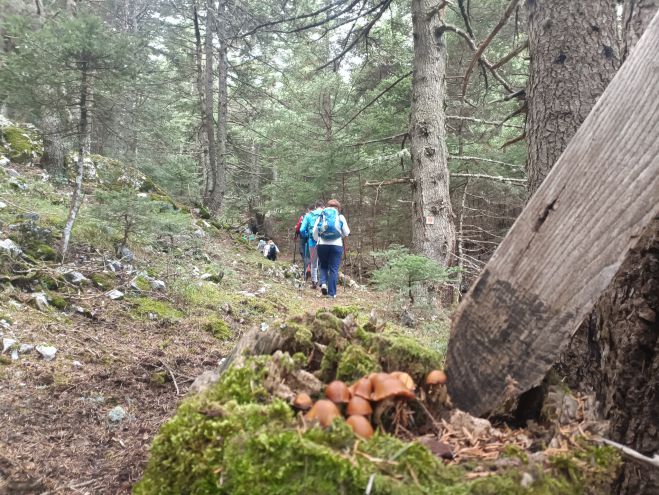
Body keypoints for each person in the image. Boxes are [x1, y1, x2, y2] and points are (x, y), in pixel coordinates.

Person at [313, 199, 350, 298]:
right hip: (337, 245)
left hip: (322, 245)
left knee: (323, 265)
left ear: (327, 206)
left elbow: (315, 231)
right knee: (333, 269)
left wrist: (318, 239)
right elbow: (346, 232)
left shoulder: (322, 215)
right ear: (338, 208)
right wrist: (344, 245)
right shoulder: (340, 216)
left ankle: (323, 283)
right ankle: (332, 294)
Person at [300, 200, 324, 288]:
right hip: (324, 241)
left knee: (314, 263)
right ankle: (323, 282)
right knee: (324, 262)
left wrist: (307, 235)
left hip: (312, 241)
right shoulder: (325, 214)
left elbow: (302, 230)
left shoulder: (309, 215)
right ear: (323, 207)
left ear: (315, 206)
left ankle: (314, 282)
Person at [294, 206, 312, 278]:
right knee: (313, 255)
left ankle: (306, 271)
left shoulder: (303, 217)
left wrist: (296, 234)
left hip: (303, 238)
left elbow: (298, 228)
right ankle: (313, 273)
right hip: (313, 238)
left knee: (304, 255)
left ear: (308, 210)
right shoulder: (316, 216)